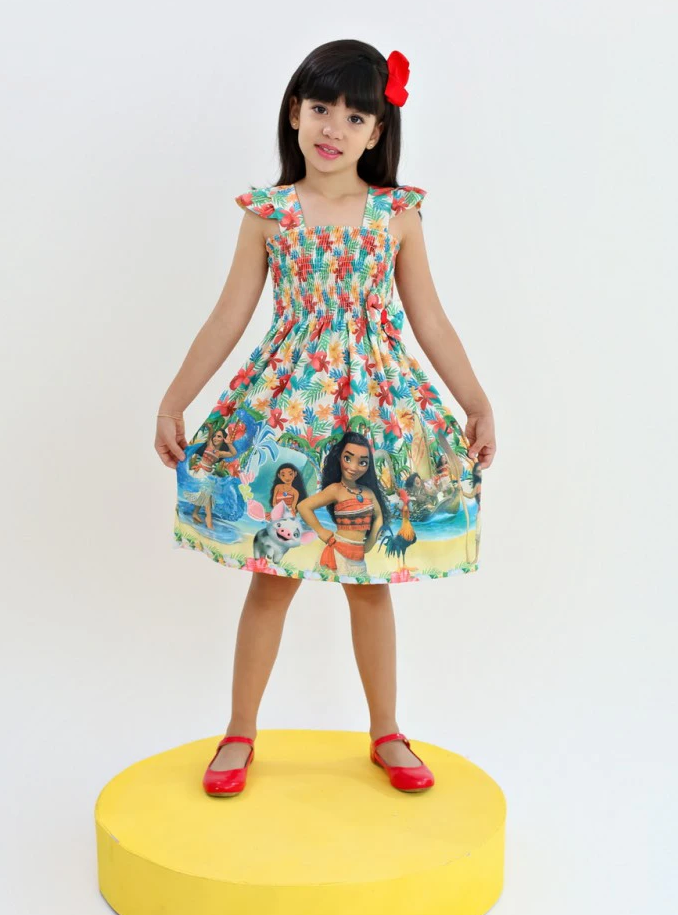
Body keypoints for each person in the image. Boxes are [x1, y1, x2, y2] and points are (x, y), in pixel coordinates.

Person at [154, 40, 496, 796]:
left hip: (372, 417)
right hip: (288, 414)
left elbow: (430, 319)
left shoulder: (396, 216)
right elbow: (228, 317)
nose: (333, 128)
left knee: (368, 582)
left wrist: (475, 401)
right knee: (271, 579)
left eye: (354, 116)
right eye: (320, 109)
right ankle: (240, 730)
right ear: (294, 114)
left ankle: (387, 731)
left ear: (377, 132)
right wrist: (175, 399)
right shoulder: (268, 216)